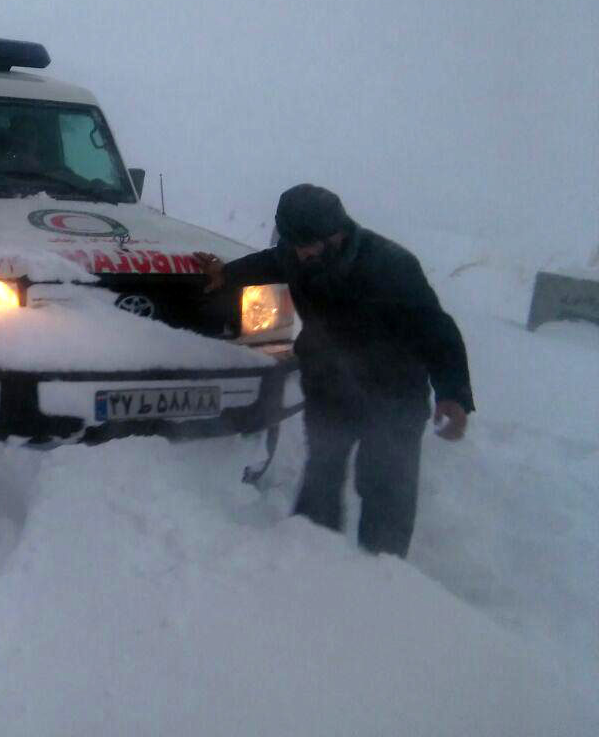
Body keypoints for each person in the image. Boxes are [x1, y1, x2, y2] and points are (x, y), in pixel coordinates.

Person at [195, 184, 473, 557]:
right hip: (331, 391)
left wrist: (453, 394)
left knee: (385, 487)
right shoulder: (295, 255)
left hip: (394, 398)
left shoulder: (391, 266)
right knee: (321, 477)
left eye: (309, 242)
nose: (301, 251)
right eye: (294, 242)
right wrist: (225, 275)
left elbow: (438, 331)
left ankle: (382, 577)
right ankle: (311, 560)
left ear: (337, 232)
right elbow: (269, 262)